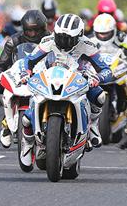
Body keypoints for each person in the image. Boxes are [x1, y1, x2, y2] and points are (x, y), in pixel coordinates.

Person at [20, 14, 113, 151]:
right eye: (60, 36)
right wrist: (26, 72)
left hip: (76, 80)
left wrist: (97, 78)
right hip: (49, 78)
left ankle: (92, 124)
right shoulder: (48, 41)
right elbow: (29, 60)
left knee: (100, 96)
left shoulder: (88, 45)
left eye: (68, 38)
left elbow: (106, 69)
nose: (62, 41)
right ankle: (27, 142)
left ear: (79, 36)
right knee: (26, 119)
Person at [0, 10, 50, 148]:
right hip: (18, 75)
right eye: (29, 31)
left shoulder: (50, 40)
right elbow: (1, 63)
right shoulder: (13, 41)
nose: (33, 34)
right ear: (24, 29)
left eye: (36, 31)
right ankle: (6, 122)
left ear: (43, 29)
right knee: (4, 90)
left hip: (43, 75)